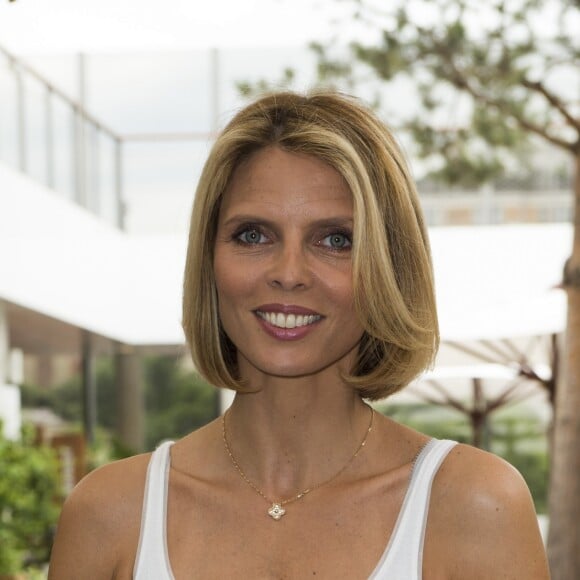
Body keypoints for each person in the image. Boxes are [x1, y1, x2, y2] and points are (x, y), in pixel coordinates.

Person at [48, 91, 550, 579]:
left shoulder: (474, 506)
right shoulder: (110, 514)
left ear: (388, 266)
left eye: (335, 240)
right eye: (253, 235)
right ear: (209, 258)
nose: (289, 272)